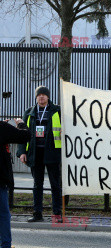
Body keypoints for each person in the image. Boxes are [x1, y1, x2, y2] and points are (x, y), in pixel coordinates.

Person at [17, 86, 62, 222]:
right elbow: (22, 134)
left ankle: (57, 214)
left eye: (44, 95)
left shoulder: (57, 110)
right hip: (35, 153)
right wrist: (22, 152)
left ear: (48, 97)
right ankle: (37, 213)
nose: (41, 97)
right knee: (37, 184)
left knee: (55, 184)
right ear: (36, 97)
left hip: (53, 152)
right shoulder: (29, 112)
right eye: (39, 95)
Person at [0, 117, 31, 248]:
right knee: (3, 214)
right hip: (0, 178)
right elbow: (25, 136)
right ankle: (5, 247)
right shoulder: (2, 128)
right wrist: (20, 124)